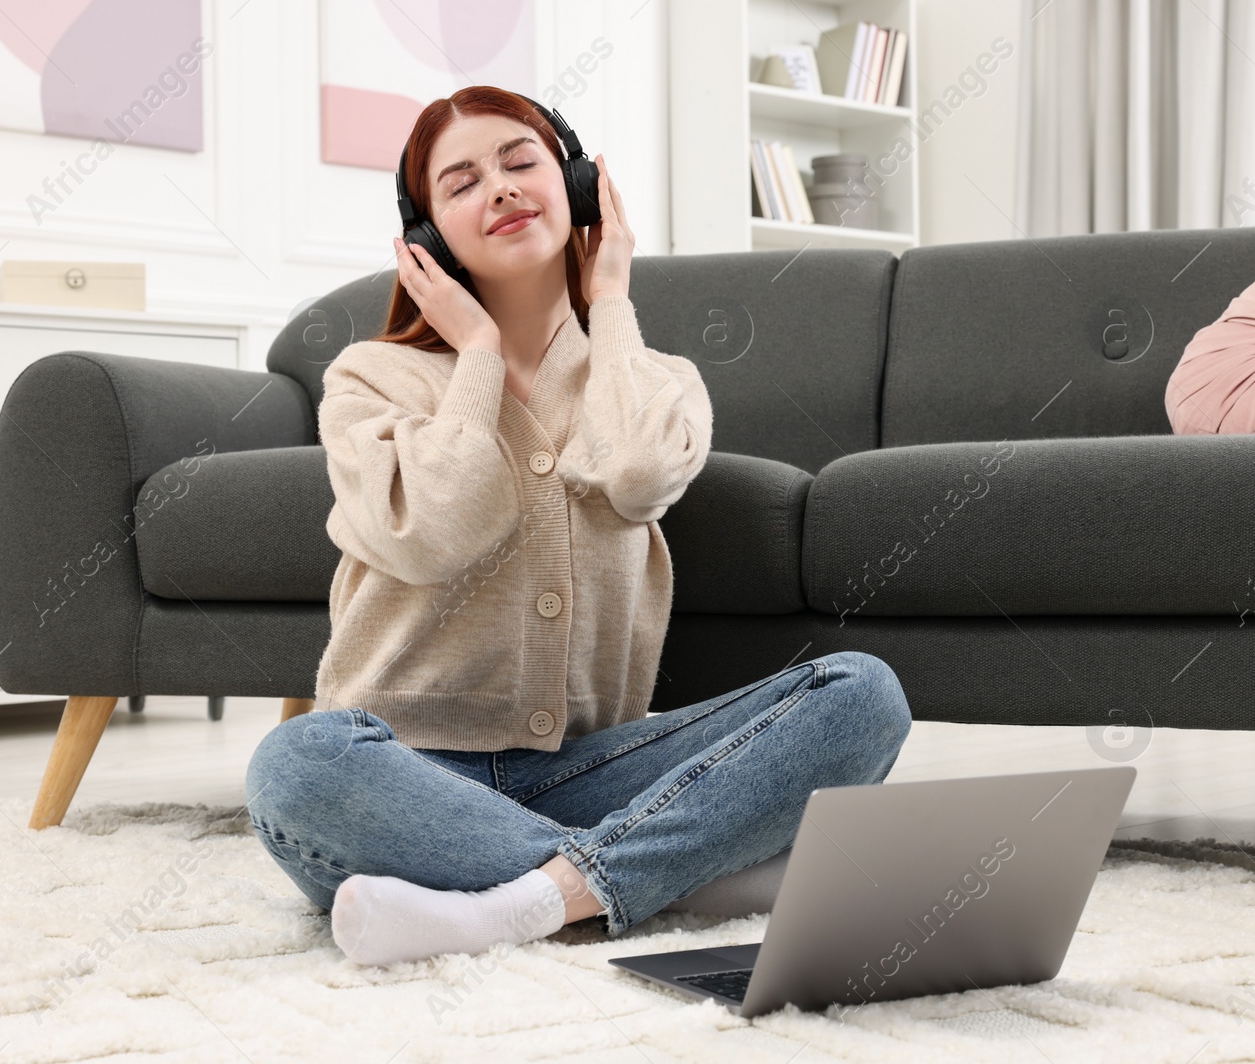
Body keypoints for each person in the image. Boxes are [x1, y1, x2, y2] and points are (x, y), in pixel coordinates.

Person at [246, 85, 912, 967]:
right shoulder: (371, 378)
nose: (503, 188)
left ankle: (526, 900)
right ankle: (675, 875)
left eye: (522, 162)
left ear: (580, 187)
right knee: (297, 763)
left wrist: (612, 302)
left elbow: (636, 475)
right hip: (402, 776)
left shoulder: (655, 375)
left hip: (589, 765)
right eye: (463, 182)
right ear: (425, 237)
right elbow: (438, 529)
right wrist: (478, 356)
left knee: (863, 695)